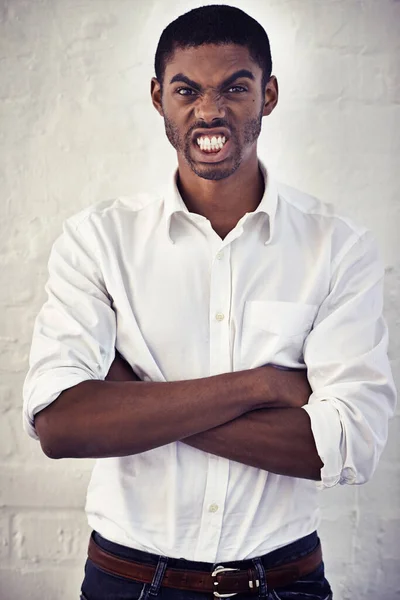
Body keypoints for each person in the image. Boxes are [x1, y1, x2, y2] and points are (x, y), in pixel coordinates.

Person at [23, 5, 396, 600]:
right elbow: (62, 425)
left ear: (268, 95)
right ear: (157, 98)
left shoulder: (337, 245)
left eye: (236, 87)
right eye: (187, 90)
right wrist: (263, 385)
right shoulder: (98, 240)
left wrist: (131, 400)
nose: (210, 111)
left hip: (284, 582)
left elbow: (349, 445)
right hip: (127, 581)